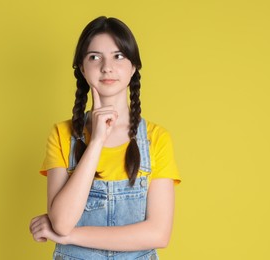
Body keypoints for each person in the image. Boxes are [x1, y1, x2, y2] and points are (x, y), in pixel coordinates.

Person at [29, 16, 181, 260]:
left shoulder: (156, 139)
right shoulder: (62, 134)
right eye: (95, 57)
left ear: (133, 67)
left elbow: (158, 234)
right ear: (82, 67)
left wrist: (69, 238)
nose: (107, 67)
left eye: (118, 56)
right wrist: (97, 140)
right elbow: (62, 221)